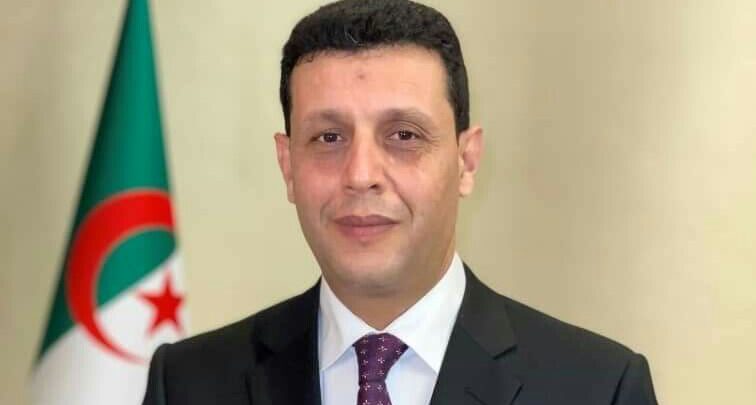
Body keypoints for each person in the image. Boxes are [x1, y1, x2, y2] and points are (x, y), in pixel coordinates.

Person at [142, 1, 658, 404]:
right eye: (328, 137)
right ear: (288, 165)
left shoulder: (598, 388)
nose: (361, 176)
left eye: (404, 135)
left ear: (466, 161)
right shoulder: (187, 384)